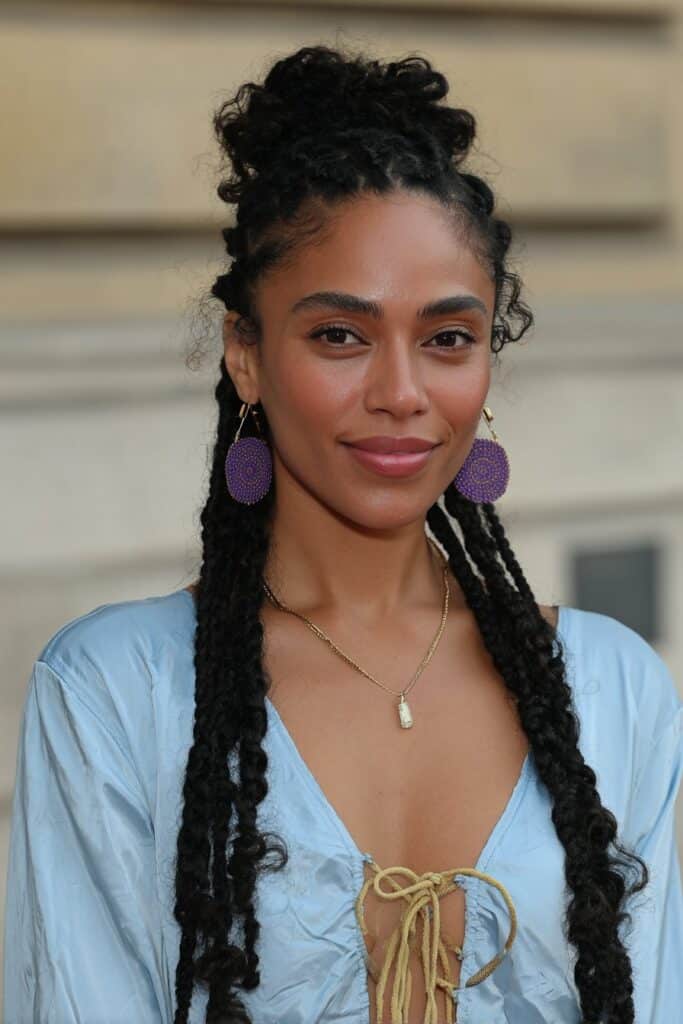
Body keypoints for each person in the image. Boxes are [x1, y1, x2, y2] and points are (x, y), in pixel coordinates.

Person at [3, 43, 682, 1024]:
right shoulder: (113, 688)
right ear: (245, 353)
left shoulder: (614, 690)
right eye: (339, 335)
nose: (401, 393)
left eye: (446, 337)